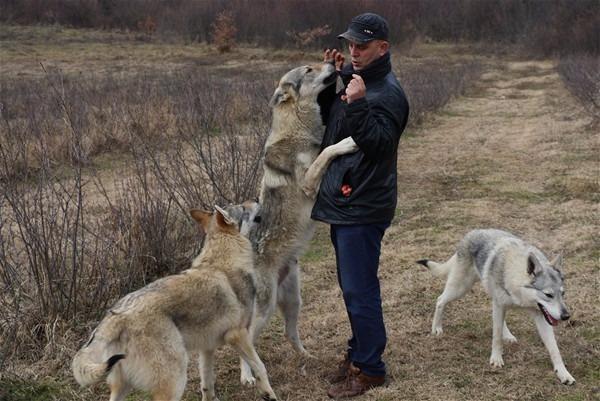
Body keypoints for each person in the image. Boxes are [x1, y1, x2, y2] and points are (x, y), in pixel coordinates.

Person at [311, 12, 409, 399]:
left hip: (364, 204)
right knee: (353, 287)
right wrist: (332, 83)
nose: (354, 50)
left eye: (362, 45)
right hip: (348, 201)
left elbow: (380, 145)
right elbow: (330, 125)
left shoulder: (386, 92)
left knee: (360, 288)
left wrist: (358, 104)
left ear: (383, 48)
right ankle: (358, 355)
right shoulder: (358, 82)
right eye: (351, 43)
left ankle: (370, 369)